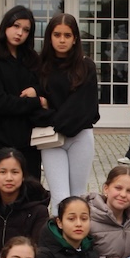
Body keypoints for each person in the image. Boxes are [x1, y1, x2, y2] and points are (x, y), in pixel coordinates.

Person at [0, 5, 43, 194]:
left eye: (26, 29)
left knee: (30, 194)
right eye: (16, 26)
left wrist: (36, 91)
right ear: (6, 25)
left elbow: (44, 87)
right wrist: (35, 102)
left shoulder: (31, 58)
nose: (20, 33)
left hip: (27, 139)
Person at [37, 14, 100, 208]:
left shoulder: (86, 66)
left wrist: (51, 114)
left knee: (78, 196)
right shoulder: (40, 67)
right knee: (60, 197)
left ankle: (77, 237)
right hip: (49, 138)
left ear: (75, 39)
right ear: (49, 37)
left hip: (80, 136)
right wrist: (51, 117)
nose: (62, 40)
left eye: (67, 35)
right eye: (57, 35)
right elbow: (35, 106)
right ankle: (58, 238)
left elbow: (87, 107)